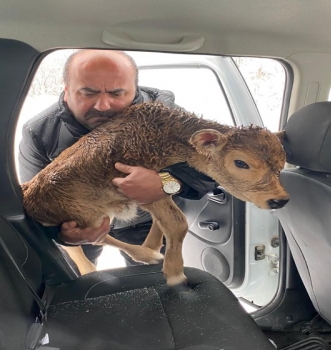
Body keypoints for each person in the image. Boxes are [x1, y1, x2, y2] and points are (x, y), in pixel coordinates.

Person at [19, 49, 215, 266]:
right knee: (80, 285)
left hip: (144, 222)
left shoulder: (166, 117)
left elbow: (215, 170)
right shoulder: (40, 132)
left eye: (116, 93)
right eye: (88, 92)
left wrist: (166, 183)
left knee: (154, 286)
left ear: (135, 90)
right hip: (79, 226)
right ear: (66, 90)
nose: (102, 106)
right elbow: (34, 204)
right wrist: (63, 236)